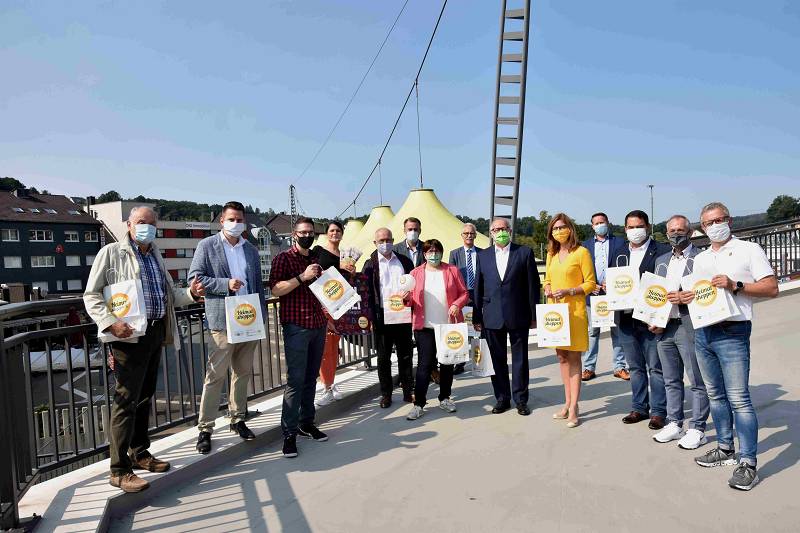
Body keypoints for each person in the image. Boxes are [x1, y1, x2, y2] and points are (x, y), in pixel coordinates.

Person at [84, 206, 205, 492]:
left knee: (144, 397)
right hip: (126, 337)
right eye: (141, 222)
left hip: (154, 333)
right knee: (125, 401)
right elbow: (91, 295)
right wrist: (110, 324)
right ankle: (118, 469)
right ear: (129, 224)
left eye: (151, 224)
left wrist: (190, 294)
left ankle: (139, 453)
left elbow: (168, 295)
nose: (146, 228)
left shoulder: (155, 255)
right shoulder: (112, 253)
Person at [688, 202, 777, 491]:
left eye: (719, 220)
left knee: (739, 398)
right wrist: (685, 297)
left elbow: (771, 288)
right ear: (702, 227)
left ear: (729, 220)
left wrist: (734, 284)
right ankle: (725, 447)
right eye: (708, 223)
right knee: (715, 394)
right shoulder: (701, 259)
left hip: (733, 331)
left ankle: (748, 462)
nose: (714, 226)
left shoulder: (749, 250)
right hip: (704, 331)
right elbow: (700, 293)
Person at [190, 201, 267, 454]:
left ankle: (238, 419)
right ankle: (205, 428)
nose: (236, 223)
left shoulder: (251, 250)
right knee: (215, 376)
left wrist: (262, 318)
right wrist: (225, 284)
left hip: (249, 318)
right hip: (222, 321)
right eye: (231, 219)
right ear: (221, 221)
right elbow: (195, 278)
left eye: (240, 219)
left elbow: (257, 285)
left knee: (242, 372)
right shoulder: (207, 245)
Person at [270, 217, 329, 458]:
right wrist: (301, 277)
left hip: (318, 324)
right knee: (295, 381)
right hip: (296, 325)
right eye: (303, 232)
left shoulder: (316, 258)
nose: (307, 235)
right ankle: (289, 434)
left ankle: (307, 422)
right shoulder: (283, 258)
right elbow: (275, 289)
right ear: (294, 234)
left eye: (310, 232)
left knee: (311, 377)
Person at [648, 215, 709, 450]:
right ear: (666, 233)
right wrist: (652, 319)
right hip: (665, 327)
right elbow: (654, 294)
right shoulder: (662, 260)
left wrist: (686, 297)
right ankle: (675, 423)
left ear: (691, 232)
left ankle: (698, 428)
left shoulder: (702, 258)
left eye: (680, 230)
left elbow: (708, 291)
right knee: (671, 379)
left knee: (696, 379)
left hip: (689, 324)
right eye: (672, 231)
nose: (676, 234)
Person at [472, 217, 540, 416]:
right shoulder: (483, 256)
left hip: (518, 314)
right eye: (495, 229)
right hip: (491, 316)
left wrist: (533, 314)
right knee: (497, 359)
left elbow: (532, 286)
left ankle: (520, 399)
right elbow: (478, 286)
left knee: (520, 359)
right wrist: (477, 316)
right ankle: (502, 398)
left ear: (510, 231)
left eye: (503, 228)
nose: (500, 232)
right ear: (490, 233)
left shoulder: (524, 252)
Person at [616, 210, 671, 429]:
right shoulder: (619, 253)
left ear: (647, 227)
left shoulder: (662, 252)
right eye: (630, 227)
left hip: (651, 320)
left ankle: (658, 411)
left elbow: (667, 285)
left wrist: (660, 317)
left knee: (656, 368)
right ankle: (639, 407)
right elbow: (615, 281)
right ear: (625, 229)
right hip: (626, 320)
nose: (635, 231)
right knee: (635, 367)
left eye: (639, 226)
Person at [405, 239, 470, 420]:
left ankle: (445, 398)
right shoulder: (415, 273)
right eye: (429, 251)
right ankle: (419, 403)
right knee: (424, 366)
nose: (433, 254)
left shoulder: (452, 270)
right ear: (424, 254)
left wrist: (457, 304)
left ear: (441, 252)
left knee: (447, 364)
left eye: (436, 251)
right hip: (424, 327)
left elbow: (465, 293)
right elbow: (410, 300)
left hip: (448, 326)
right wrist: (405, 299)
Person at [543, 214, 596, 428]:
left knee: (574, 358)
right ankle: (566, 402)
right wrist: (546, 287)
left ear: (570, 229)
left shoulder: (581, 252)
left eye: (562, 227)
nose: (558, 231)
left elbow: (590, 283)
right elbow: (547, 278)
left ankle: (574, 406)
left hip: (574, 312)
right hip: (555, 313)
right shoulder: (551, 253)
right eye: (555, 228)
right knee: (561, 357)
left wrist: (570, 290)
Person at [363, 227, 415, 408]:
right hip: (381, 316)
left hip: (402, 314)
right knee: (383, 358)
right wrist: (369, 316)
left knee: (406, 355)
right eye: (381, 241)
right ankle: (386, 394)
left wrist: (410, 297)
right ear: (375, 243)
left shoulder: (404, 261)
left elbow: (415, 285)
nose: (385, 244)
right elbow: (366, 293)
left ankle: (409, 391)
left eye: (388, 240)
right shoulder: (370, 264)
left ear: (393, 240)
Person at [311, 221, 356, 406]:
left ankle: (331, 382)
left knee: (334, 348)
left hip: (340, 305)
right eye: (332, 230)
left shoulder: (345, 255)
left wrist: (351, 272)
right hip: (323, 305)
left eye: (338, 230)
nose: (335, 233)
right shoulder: (318, 251)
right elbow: (314, 275)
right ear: (327, 233)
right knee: (324, 348)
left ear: (342, 233)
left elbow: (346, 280)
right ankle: (326, 387)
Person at [580, 212, 629, 381]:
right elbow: (578, 269)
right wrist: (589, 284)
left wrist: (614, 283)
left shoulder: (620, 242)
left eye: (602, 222)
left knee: (617, 331)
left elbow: (625, 265)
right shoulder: (584, 246)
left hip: (613, 294)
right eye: (596, 223)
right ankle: (588, 367)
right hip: (592, 295)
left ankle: (620, 366)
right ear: (592, 226)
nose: (600, 224)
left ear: (608, 223)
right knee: (592, 332)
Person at [448, 222, 483, 374]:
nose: (469, 235)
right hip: (462, 296)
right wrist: (462, 297)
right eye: (466, 233)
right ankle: (460, 363)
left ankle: (480, 360)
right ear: (462, 235)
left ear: (475, 235)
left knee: (479, 328)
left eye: (471, 233)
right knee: (462, 329)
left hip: (479, 294)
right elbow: (451, 277)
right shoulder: (454, 254)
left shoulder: (482, 253)